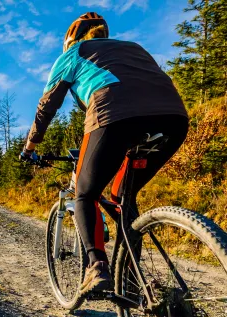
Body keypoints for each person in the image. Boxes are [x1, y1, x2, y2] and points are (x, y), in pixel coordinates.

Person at [20, 12, 189, 299]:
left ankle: (96, 267)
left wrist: (30, 148)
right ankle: (132, 283)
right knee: (123, 197)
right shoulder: (133, 47)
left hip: (114, 115)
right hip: (173, 118)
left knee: (84, 193)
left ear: (70, 39)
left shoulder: (72, 54)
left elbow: (46, 107)